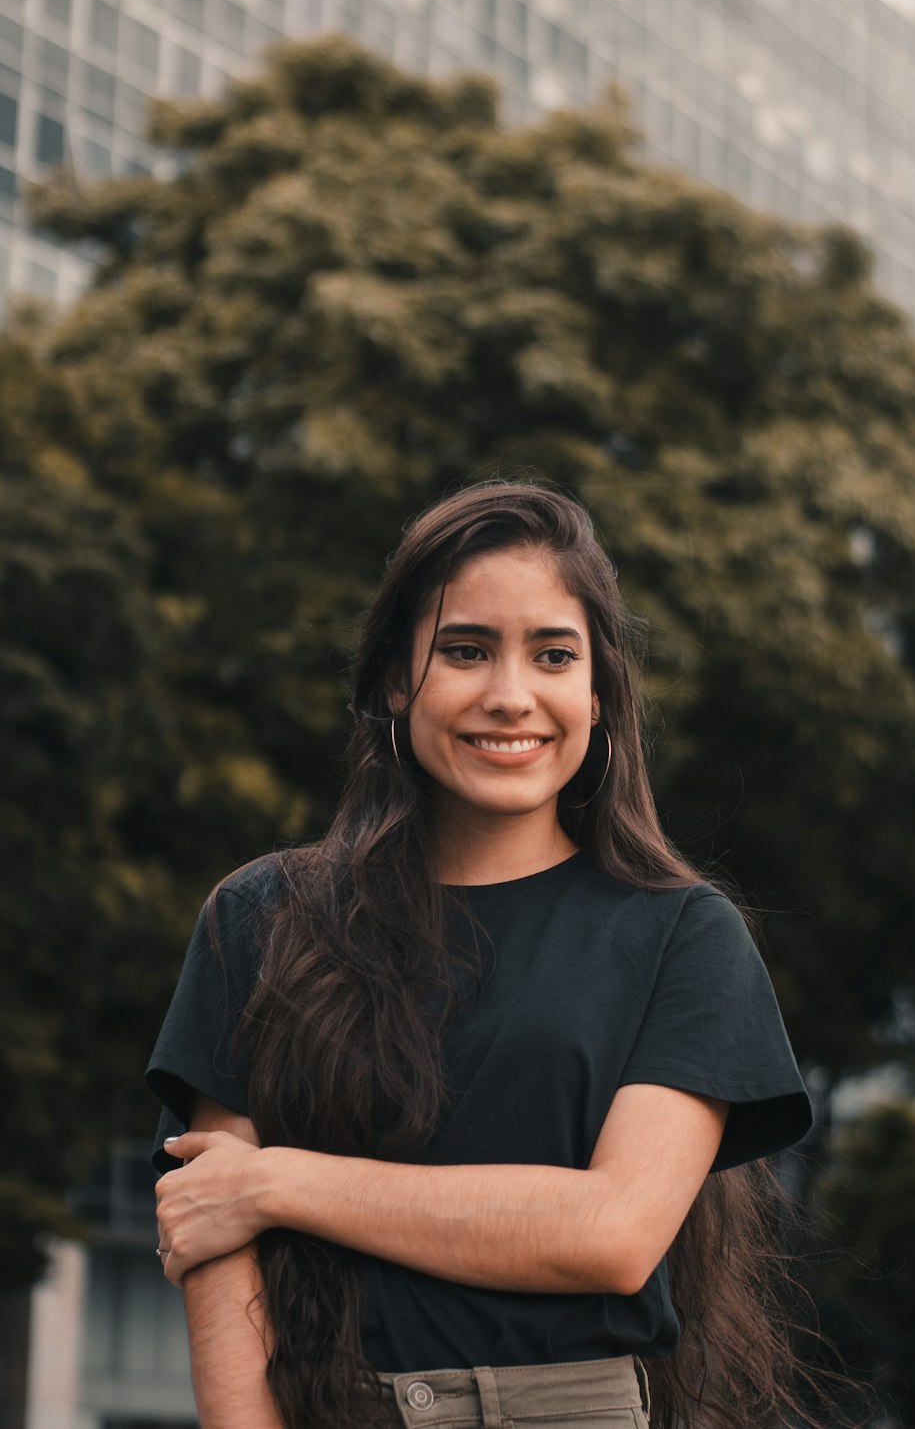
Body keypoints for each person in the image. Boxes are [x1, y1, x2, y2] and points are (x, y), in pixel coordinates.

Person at [148, 481, 814, 1429]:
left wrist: (279, 1183)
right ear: (393, 678)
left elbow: (614, 1233)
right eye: (465, 651)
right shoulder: (258, 918)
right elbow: (216, 1242)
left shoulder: (683, 936)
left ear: (595, 692)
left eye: (553, 655)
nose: (511, 697)